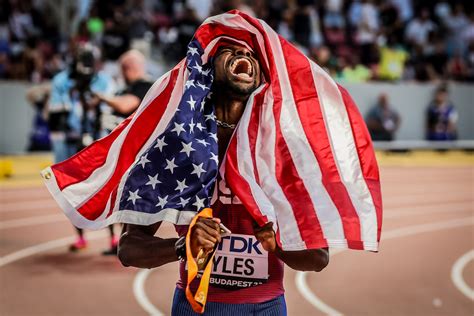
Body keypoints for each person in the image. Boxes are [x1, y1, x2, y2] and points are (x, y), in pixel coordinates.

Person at [118, 43, 329, 315]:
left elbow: (319, 258)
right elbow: (129, 248)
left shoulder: (284, 149)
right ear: (208, 67)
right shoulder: (177, 147)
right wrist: (184, 246)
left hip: (266, 307)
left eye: (252, 53)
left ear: (262, 75)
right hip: (196, 304)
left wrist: (278, 244)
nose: (244, 55)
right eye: (231, 49)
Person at [47, 43, 117, 252]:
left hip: (98, 140)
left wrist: (97, 104)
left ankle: (113, 237)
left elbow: (109, 108)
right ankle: (80, 237)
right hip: (71, 140)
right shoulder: (61, 81)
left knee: (105, 187)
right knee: (70, 190)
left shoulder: (104, 80)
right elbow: (56, 112)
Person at [95, 49, 153, 133]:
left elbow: (125, 105)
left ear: (129, 68)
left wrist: (102, 97)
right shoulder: (126, 89)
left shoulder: (146, 85)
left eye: (122, 69)